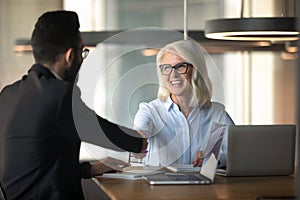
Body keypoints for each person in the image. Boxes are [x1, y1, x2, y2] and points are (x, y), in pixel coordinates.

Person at [0, 10, 147, 200]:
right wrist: (139, 142)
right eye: (81, 52)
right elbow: (99, 130)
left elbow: (33, 167)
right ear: (69, 56)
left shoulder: (8, 94)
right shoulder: (58, 94)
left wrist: (89, 169)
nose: (82, 58)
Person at [133, 39, 234, 167]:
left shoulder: (217, 113)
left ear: (196, 70)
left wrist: (213, 158)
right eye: (166, 68)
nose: (173, 75)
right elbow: (139, 132)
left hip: (203, 187)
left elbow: (238, 153)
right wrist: (137, 140)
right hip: (159, 186)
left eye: (180, 66)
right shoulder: (150, 111)